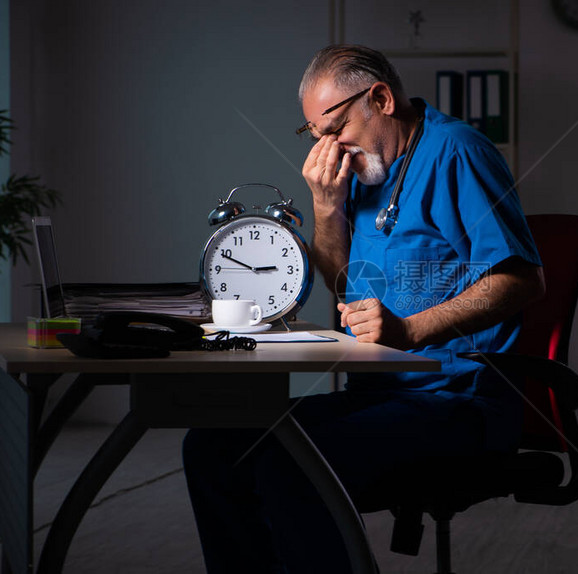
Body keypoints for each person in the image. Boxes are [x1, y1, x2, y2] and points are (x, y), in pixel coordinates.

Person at [183, 45, 545, 573]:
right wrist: (326, 206)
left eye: (335, 129)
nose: (329, 149)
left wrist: (411, 328)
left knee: (291, 466)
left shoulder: (457, 152)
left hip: (458, 401)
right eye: (314, 136)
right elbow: (342, 284)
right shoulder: (367, 171)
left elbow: (522, 280)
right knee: (214, 449)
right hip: (377, 393)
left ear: (380, 98)